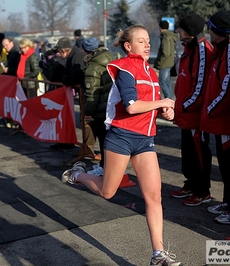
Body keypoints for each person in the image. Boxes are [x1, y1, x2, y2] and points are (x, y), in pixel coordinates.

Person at [62, 25, 182, 266]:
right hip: (122, 137)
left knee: (154, 197)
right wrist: (162, 102)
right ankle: (78, 176)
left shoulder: (150, 70)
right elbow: (131, 106)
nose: (148, 44)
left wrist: (165, 111)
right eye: (141, 41)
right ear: (128, 46)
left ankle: (158, 254)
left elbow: (150, 107)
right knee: (108, 192)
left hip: (145, 139)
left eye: (148, 40)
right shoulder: (125, 67)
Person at [200, 10, 230, 224]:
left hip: (226, 121)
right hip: (219, 120)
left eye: (211, 27)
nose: (208, 31)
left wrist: (209, 110)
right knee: (225, 164)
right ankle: (228, 202)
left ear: (219, 31)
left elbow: (227, 90)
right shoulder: (222, 48)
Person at [171, 13, 214, 206]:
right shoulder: (188, 49)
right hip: (185, 114)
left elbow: (201, 86)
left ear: (189, 32)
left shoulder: (202, 50)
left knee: (199, 153)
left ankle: (202, 190)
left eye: (181, 28)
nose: (178, 31)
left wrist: (184, 107)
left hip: (195, 116)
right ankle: (190, 183)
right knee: (187, 152)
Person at [81, 37, 114, 175]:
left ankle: (105, 168)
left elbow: (92, 94)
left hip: (100, 110)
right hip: (111, 106)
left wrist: (87, 111)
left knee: (103, 140)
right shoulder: (110, 58)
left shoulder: (93, 67)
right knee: (109, 140)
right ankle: (104, 165)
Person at [154, 20, 178, 99]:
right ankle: (169, 98)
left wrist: (160, 62)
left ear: (161, 27)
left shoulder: (166, 37)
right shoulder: (170, 36)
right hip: (170, 62)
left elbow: (165, 52)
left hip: (165, 63)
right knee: (167, 81)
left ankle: (168, 98)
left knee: (162, 81)